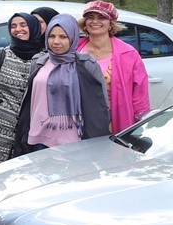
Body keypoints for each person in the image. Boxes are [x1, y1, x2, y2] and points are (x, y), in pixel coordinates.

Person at [13, 14, 112, 154]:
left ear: (72, 38)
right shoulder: (39, 61)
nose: (56, 41)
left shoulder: (87, 64)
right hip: (38, 138)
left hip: (75, 143)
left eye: (63, 37)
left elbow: (101, 104)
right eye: (51, 36)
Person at [78, 0, 150, 133]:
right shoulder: (75, 49)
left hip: (112, 121)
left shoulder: (128, 54)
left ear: (111, 24)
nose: (95, 21)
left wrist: (139, 123)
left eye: (101, 17)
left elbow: (140, 93)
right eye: (90, 17)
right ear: (84, 23)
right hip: (78, 120)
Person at [0, 12, 44, 166]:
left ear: (34, 28)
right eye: (13, 26)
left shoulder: (44, 59)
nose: (18, 29)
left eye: (23, 25)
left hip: (28, 133)